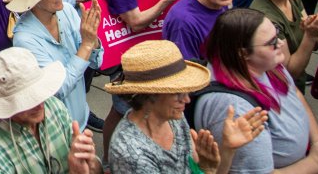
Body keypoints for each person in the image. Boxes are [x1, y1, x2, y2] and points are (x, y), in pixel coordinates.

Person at [194, 8, 318, 173]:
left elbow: (294, 93)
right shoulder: (232, 109)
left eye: (277, 34)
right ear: (243, 54)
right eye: (272, 42)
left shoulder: (266, 64)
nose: (281, 43)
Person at [98, 0, 193, 157]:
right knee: (122, 110)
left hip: (142, 46)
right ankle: (111, 160)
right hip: (128, 54)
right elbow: (136, 21)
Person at [106, 40, 265, 174]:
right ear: (149, 94)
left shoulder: (173, 118)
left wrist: (227, 150)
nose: (187, 99)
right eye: (177, 93)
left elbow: (199, 169)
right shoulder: (131, 153)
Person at [0, 47, 101, 173]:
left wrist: (90, 162)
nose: (40, 104)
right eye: (29, 100)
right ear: (7, 104)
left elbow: (94, 168)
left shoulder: (54, 107)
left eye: (40, 92)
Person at [9, 0, 102, 132]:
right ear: (35, 1)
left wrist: (93, 39)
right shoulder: (24, 39)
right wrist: (87, 46)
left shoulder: (66, 10)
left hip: (80, 117)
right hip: (55, 131)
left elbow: (97, 61)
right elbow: (56, 89)